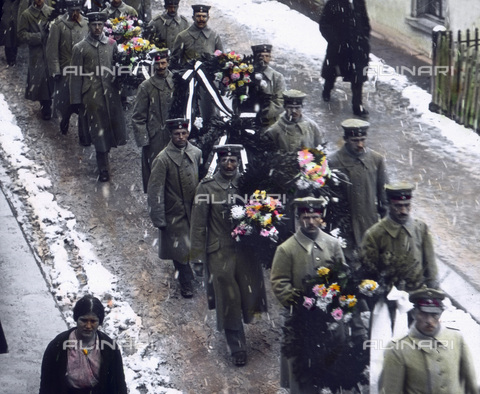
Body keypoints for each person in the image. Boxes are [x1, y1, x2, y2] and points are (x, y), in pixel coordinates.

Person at [271, 197, 365, 393]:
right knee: (303, 370)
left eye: (316, 217)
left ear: (322, 218)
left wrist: (338, 298)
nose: (311, 222)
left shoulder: (332, 244)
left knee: (332, 366)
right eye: (306, 217)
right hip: (301, 322)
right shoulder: (286, 249)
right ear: (298, 218)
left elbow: (343, 275)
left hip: (331, 320)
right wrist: (304, 303)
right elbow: (279, 283)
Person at [190, 144, 267, 366]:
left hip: (245, 252)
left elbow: (263, 213)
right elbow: (198, 225)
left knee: (249, 294)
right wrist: (196, 257)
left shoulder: (247, 184)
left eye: (233, 160)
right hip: (219, 252)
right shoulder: (206, 188)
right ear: (219, 162)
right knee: (228, 300)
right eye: (225, 161)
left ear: (238, 162)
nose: (229, 165)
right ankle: (237, 348)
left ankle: (246, 322)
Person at [361, 182, 440, 393]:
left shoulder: (421, 229)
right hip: (388, 308)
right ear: (389, 205)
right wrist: (380, 294)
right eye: (398, 206)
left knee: (421, 354)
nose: (403, 210)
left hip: (418, 305)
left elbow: (430, 268)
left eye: (407, 205)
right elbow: (366, 275)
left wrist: (435, 300)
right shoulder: (374, 234)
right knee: (388, 353)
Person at [379, 287, 479, 394]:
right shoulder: (397, 349)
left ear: (440, 314)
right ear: (414, 314)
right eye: (423, 314)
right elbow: (391, 390)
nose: (429, 321)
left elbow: (471, 381)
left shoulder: (456, 338)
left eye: (434, 314)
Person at [147, 118, 202, 298]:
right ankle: (186, 282)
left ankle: (191, 272)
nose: (180, 137)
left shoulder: (196, 153)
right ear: (171, 135)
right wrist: (159, 218)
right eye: (176, 134)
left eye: (184, 133)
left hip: (192, 210)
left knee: (193, 244)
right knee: (179, 250)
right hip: (174, 212)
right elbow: (155, 190)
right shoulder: (162, 159)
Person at [70, 12, 127, 182]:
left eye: (100, 25)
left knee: (111, 129)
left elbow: (119, 68)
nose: (97, 28)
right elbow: (75, 76)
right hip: (92, 97)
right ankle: (103, 167)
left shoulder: (111, 44)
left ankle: (105, 156)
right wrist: (76, 101)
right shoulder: (80, 48)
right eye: (94, 25)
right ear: (89, 26)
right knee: (98, 131)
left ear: (104, 26)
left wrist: (123, 92)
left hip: (110, 94)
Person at [39, 294, 128, 394]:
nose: (88, 326)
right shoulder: (58, 346)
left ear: (100, 322)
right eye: (84, 320)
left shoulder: (109, 347)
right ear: (76, 319)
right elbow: (46, 384)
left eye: (93, 321)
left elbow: (119, 383)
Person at [328, 118, 388, 259]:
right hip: (344, 227)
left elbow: (384, 198)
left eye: (362, 139)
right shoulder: (333, 162)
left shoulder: (376, 160)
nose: (360, 144)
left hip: (369, 225)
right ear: (345, 139)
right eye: (355, 140)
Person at [132, 48, 175, 192]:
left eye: (163, 63)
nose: (161, 67)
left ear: (168, 62)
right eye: (157, 64)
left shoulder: (177, 81)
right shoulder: (146, 87)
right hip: (154, 137)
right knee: (155, 173)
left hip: (174, 135)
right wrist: (144, 140)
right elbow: (138, 116)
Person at [171, 4, 223, 122]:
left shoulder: (214, 36)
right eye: (198, 16)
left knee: (211, 113)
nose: (201, 19)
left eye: (204, 16)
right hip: (189, 82)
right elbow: (174, 61)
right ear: (193, 17)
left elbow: (221, 60)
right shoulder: (183, 36)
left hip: (208, 83)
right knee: (190, 112)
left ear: (208, 18)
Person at [46, 0, 89, 142]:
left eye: (77, 10)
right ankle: (64, 119)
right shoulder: (58, 25)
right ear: (67, 10)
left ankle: (83, 134)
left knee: (83, 102)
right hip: (66, 70)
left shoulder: (87, 24)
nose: (75, 13)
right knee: (66, 102)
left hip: (83, 71)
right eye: (72, 10)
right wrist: (55, 70)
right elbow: (52, 51)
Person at [319, 0, 371, 118]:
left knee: (358, 76)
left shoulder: (359, 2)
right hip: (339, 47)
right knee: (332, 71)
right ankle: (327, 90)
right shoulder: (334, 3)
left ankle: (357, 105)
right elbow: (324, 24)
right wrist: (335, 41)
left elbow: (364, 21)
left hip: (357, 48)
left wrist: (365, 37)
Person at [17, 0, 54, 120]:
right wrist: (38, 37)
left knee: (53, 77)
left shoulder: (51, 12)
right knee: (41, 80)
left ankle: (52, 103)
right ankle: (45, 106)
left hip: (51, 51)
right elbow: (21, 34)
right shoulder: (26, 14)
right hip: (36, 53)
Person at [235, 44, 286, 130]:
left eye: (266, 56)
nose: (263, 59)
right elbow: (236, 98)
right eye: (260, 56)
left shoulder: (277, 77)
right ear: (254, 57)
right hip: (246, 122)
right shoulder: (244, 75)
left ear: (270, 58)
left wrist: (264, 112)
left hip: (270, 124)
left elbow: (281, 101)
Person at [0, 0, 20, 66]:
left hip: (16, 12)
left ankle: (13, 57)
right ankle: (10, 58)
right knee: (7, 37)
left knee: (14, 35)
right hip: (6, 11)